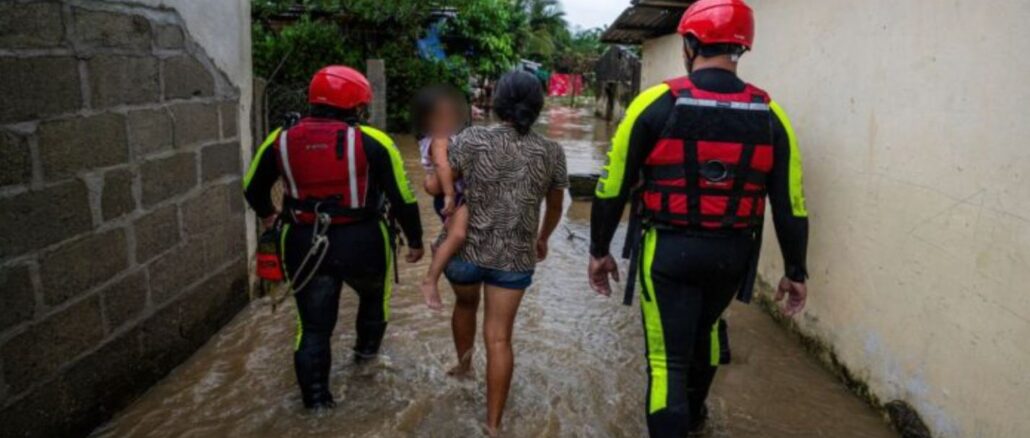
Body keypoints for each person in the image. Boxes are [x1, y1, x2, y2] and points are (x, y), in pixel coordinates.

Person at [587, 0, 810, 436]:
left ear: (689, 43)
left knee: (665, 362)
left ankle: (678, 422)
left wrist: (598, 251)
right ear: (741, 48)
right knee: (706, 328)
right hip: (733, 256)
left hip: (669, 252)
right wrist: (795, 271)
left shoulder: (655, 103)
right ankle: (698, 418)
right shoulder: (771, 113)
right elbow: (790, 203)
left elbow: (611, 186)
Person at [243, 65, 424, 410]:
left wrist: (270, 215)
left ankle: (316, 406)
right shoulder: (375, 141)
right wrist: (415, 241)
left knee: (312, 328)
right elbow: (404, 197)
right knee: (374, 302)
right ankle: (365, 363)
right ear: (356, 105)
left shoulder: (280, 138)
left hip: (303, 242)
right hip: (365, 242)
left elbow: (252, 188)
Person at [443, 71, 568, 436]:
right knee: (499, 339)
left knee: (464, 306)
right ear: (538, 106)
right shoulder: (551, 151)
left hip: (465, 253)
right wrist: (542, 238)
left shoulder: (470, 138)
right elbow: (556, 207)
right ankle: (493, 425)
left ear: (498, 104)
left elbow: (442, 185)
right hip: (514, 258)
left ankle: (463, 369)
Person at [412, 86, 470, 311]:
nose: (448, 121)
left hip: (455, 194)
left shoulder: (447, 136)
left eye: (451, 116)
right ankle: (430, 279)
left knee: (458, 233)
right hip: (452, 196)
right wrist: (448, 194)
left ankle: (439, 244)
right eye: (441, 117)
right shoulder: (438, 139)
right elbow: (442, 165)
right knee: (459, 233)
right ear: (427, 120)